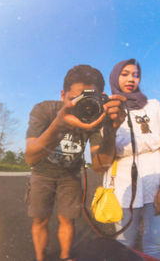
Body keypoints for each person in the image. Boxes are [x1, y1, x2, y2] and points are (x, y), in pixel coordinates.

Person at [25, 64, 126, 261]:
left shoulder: (96, 116)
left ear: (101, 98)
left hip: (70, 175)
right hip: (42, 171)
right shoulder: (45, 109)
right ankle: (40, 258)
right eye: (75, 100)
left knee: (67, 219)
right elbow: (31, 156)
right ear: (63, 95)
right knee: (39, 219)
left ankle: (65, 257)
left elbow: (99, 166)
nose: (83, 107)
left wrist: (111, 130)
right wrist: (58, 124)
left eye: (89, 100)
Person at [103, 58, 160, 260]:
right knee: (124, 247)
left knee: (154, 246)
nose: (131, 79)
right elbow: (119, 147)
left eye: (135, 74)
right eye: (125, 73)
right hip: (123, 190)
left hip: (157, 187)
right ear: (115, 77)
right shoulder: (110, 109)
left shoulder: (154, 106)